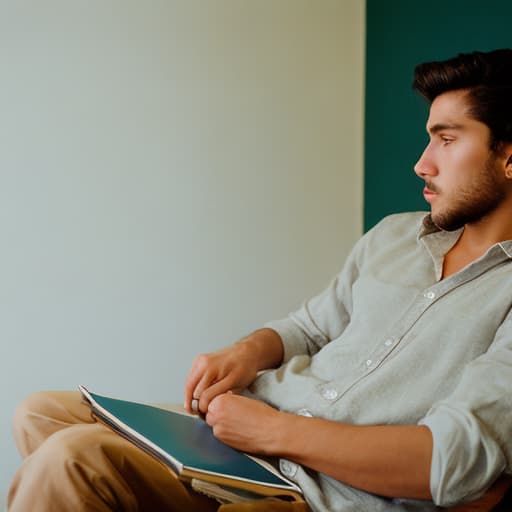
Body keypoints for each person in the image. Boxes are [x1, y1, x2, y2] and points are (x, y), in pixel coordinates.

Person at [8, 48, 512, 512]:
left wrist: (276, 433)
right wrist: (246, 352)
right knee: (39, 414)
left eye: (447, 140)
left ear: (508, 156)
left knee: (72, 458)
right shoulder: (393, 236)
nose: (422, 163)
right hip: (247, 429)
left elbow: (452, 458)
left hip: (315, 489)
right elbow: (311, 327)